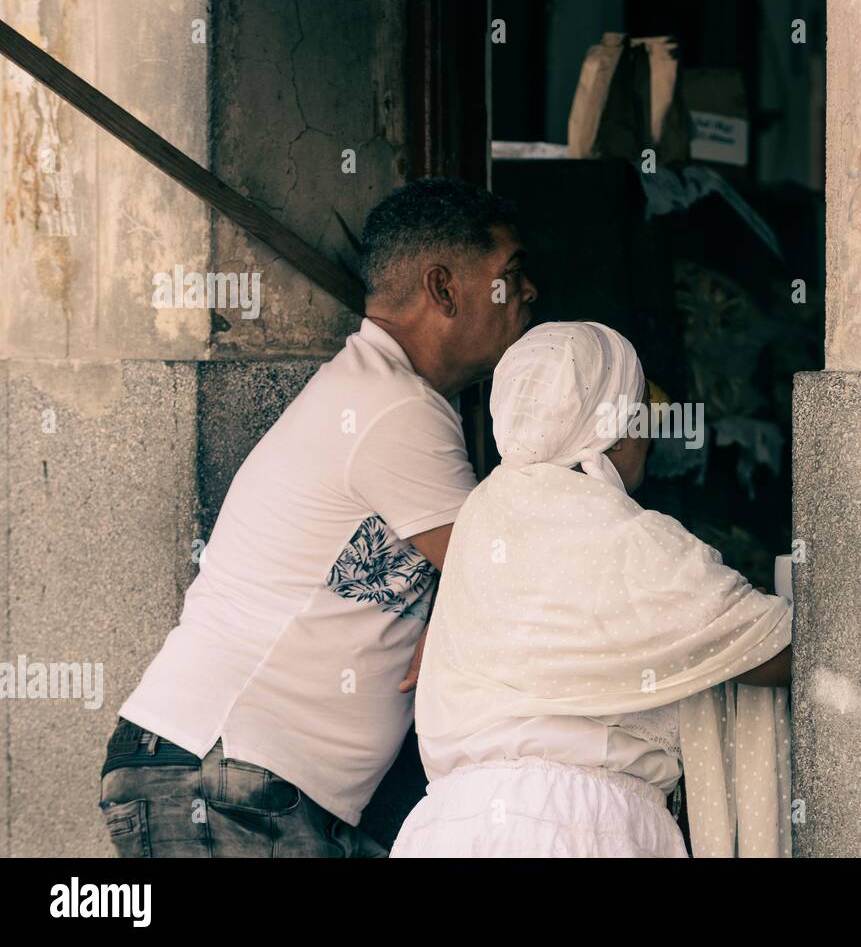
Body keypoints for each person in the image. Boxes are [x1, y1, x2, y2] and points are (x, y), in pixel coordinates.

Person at [97, 178, 536, 857]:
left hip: (240, 782)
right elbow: (518, 581)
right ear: (444, 289)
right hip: (226, 774)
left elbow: (476, 577)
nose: (529, 292)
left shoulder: (385, 396)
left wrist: (453, 612)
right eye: (510, 276)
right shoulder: (393, 406)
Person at [391, 321, 793, 858]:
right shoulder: (622, 532)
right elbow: (773, 652)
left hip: (448, 829)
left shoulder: (481, 516)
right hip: (575, 828)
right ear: (616, 431)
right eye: (639, 410)